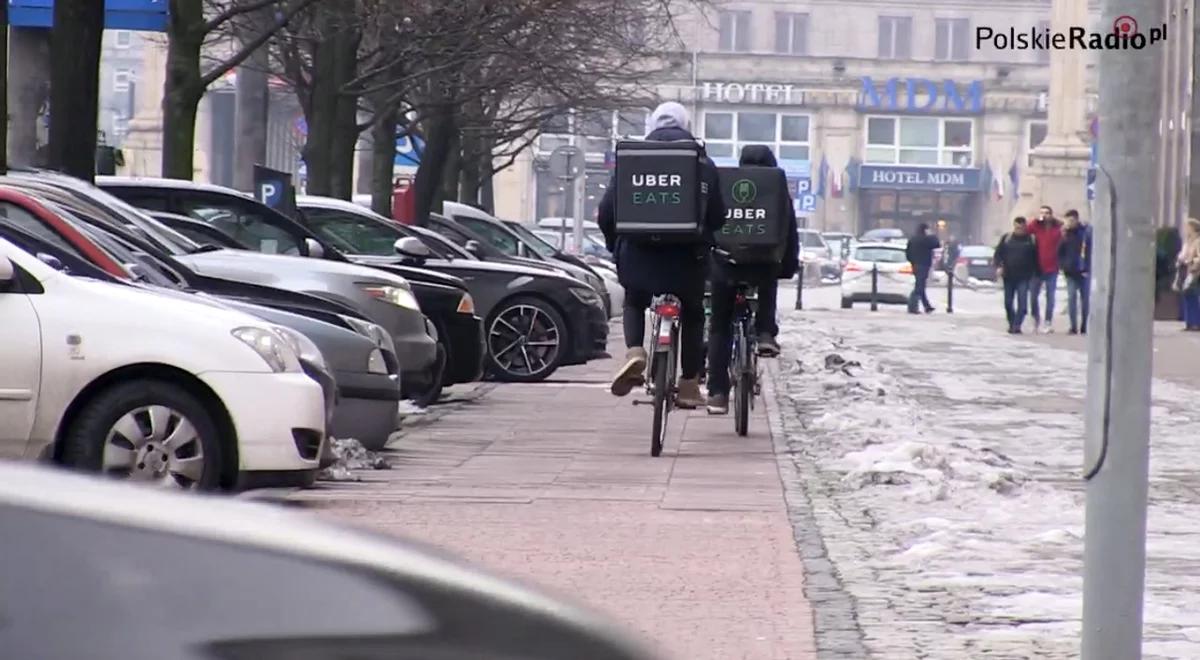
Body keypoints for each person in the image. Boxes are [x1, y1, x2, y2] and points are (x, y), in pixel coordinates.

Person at [597, 101, 726, 408]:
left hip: (639, 257)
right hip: (687, 262)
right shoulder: (702, 162)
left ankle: (635, 352)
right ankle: (689, 382)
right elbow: (718, 216)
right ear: (686, 125)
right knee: (694, 314)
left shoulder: (632, 160)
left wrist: (615, 244)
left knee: (634, 299)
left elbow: (606, 211)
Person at [705, 145, 800, 414]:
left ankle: (717, 393)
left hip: (727, 265)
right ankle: (765, 333)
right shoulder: (777, 189)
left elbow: (710, 223)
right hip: (764, 265)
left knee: (720, 327)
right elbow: (789, 232)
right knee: (767, 281)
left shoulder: (723, 183)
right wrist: (787, 267)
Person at [994, 217, 1039, 334]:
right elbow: (998, 254)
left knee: (1023, 304)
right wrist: (999, 266)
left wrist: (1036, 274)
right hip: (1008, 276)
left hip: (1024, 277)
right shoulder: (1007, 239)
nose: (1019, 230)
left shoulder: (1031, 240)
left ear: (1025, 227)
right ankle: (1012, 322)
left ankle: (1017, 325)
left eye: (1021, 228)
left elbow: (1036, 258)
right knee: (1008, 303)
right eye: (1017, 227)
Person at [1028, 205, 1063, 333]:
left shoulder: (1057, 228)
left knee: (1050, 296)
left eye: (1047, 213)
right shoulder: (1036, 227)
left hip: (1052, 267)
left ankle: (1048, 321)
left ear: (1051, 214)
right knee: (1033, 296)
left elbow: (1063, 240)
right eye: (1042, 213)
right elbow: (1027, 230)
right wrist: (1036, 220)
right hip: (1037, 268)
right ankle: (1035, 319)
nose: (1044, 215)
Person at [1057, 209, 1092, 335]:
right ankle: (1073, 326)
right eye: (1067, 220)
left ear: (1077, 220)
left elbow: (1090, 250)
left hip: (1084, 271)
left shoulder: (1086, 233)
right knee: (1071, 298)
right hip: (1070, 272)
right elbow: (1059, 252)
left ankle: (1084, 325)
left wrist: (1088, 266)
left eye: (1071, 220)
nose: (1069, 223)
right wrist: (1063, 265)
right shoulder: (1065, 234)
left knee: (1085, 300)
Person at [904, 223, 939, 314]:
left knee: (921, 286)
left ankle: (927, 306)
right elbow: (936, 244)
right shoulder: (926, 239)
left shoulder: (913, 239)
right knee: (919, 287)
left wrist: (912, 262)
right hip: (923, 265)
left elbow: (907, 253)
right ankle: (912, 307)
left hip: (915, 265)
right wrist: (931, 235)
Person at [1177, 217, 1200, 331]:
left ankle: (1196, 322)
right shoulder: (1187, 242)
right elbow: (1182, 254)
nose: (1186, 230)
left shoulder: (1198, 241)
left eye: (1188, 227)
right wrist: (1180, 259)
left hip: (1195, 272)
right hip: (1187, 270)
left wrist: (1191, 261)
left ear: (1193, 229)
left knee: (1193, 296)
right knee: (1187, 295)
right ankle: (1189, 322)